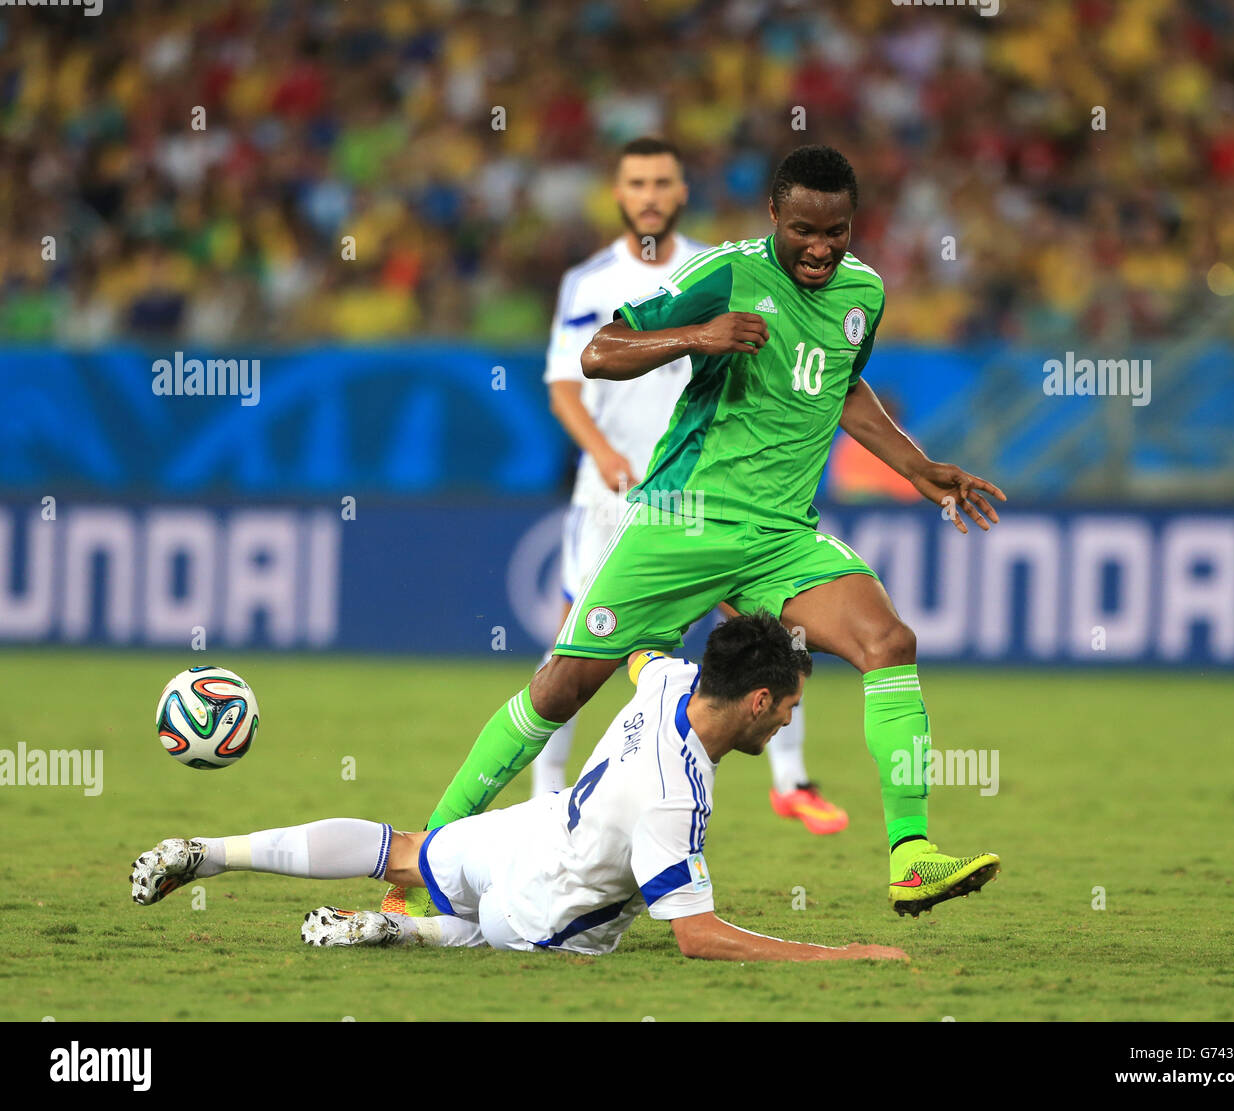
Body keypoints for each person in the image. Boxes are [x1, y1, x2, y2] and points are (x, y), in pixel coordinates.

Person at [422, 144, 1005, 917]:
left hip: (779, 538)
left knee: (889, 643)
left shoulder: (863, 291)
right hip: (680, 524)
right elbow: (600, 352)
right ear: (774, 216)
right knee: (559, 690)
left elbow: (841, 382)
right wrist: (696, 337)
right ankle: (425, 852)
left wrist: (916, 464)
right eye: (804, 229)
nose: (821, 248)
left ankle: (911, 855)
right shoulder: (724, 275)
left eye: (836, 230)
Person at [130, 614, 908, 961]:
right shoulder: (680, 799)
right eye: (789, 710)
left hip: (526, 829)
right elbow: (698, 938)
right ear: (759, 700)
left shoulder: (675, 677)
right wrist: (840, 953)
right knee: (496, 935)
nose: (785, 729)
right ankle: (405, 933)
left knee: (402, 850)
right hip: (541, 906)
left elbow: (634, 653)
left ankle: (209, 850)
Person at [535, 135, 847, 833]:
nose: (649, 194)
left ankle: (791, 779)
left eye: (662, 182)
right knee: (573, 652)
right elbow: (565, 381)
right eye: (636, 182)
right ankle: (545, 790)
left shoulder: (725, 270)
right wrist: (605, 452)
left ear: (681, 193)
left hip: (711, 490)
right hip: (613, 494)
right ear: (619, 195)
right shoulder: (588, 282)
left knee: (775, 634)